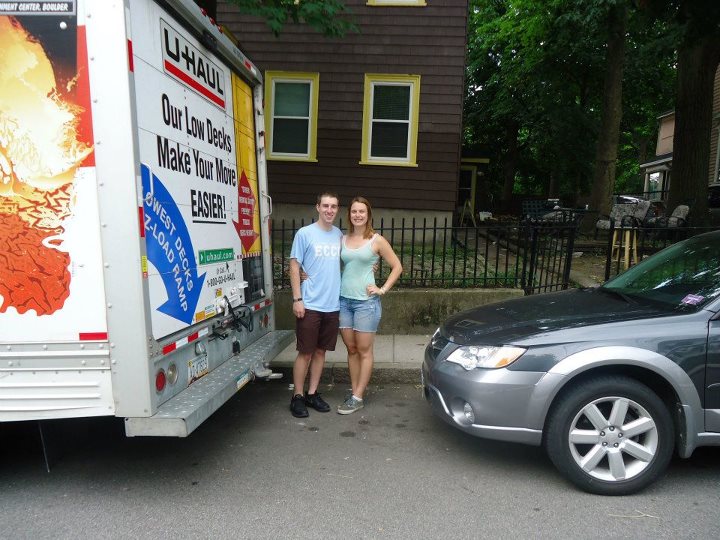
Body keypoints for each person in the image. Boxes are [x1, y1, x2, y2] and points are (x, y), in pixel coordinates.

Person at [337, 196, 402, 414]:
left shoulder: (377, 240)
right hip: (344, 301)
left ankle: (357, 397)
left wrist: (382, 289)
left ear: (368, 215)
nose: (358, 215)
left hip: (366, 304)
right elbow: (336, 266)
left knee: (364, 350)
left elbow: (397, 266)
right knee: (351, 349)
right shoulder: (342, 239)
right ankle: (355, 391)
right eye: (354, 211)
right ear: (349, 215)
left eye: (361, 211)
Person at [288, 192, 342, 418]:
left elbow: (352, 259)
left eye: (334, 206)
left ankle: (312, 393)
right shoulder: (305, 233)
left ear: (337, 210)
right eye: (325, 206)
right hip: (309, 303)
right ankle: (298, 396)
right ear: (318, 207)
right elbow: (294, 266)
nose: (329, 210)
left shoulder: (339, 235)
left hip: (332, 304)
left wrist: (371, 265)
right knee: (305, 352)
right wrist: (297, 299)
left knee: (321, 352)